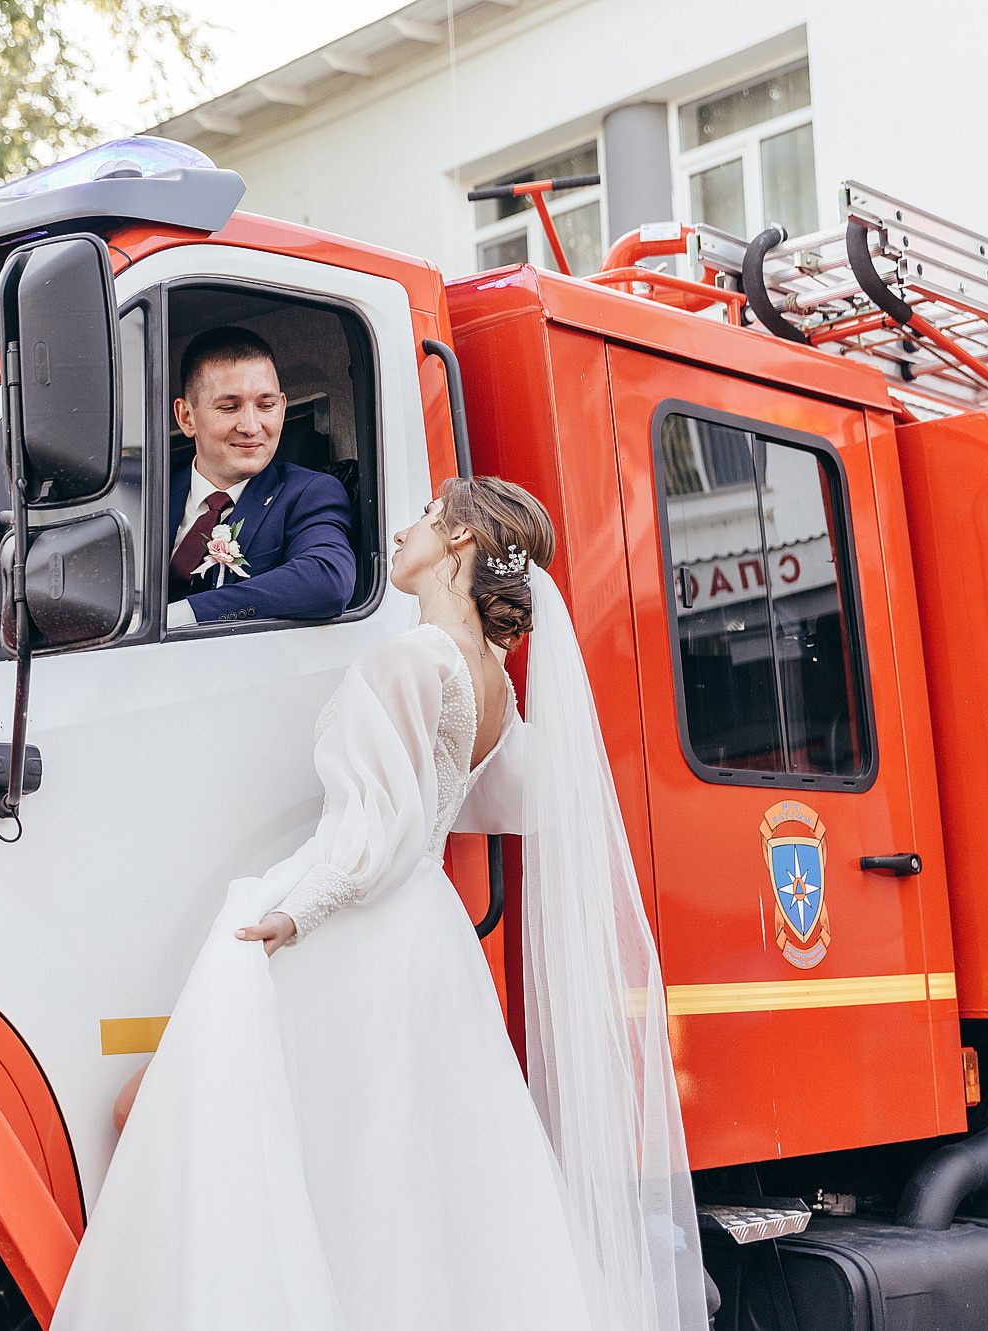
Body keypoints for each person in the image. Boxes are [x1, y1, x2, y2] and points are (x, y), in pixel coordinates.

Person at [54, 477, 708, 1331]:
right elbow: (496, 802)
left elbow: (381, 825)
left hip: (355, 928)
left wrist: (301, 911)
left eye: (427, 520)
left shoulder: (414, 657)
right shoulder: (491, 682)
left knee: (175, 1116)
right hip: (425, 937)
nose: (404, 532)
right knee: (383, 1187)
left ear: (462, 544)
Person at [166, 327, 355, 628]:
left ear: (281, 407)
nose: (251, 426)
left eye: (266, 406)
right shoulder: (143, 494)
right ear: (187, 417)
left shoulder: (309, 493)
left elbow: (328, 579)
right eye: (230, 407)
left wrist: (184, 615)